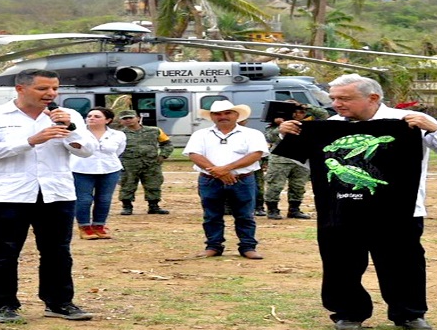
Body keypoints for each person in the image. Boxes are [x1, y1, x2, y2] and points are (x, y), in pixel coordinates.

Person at [277, 74, 437, 330]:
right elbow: (313, 163)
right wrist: (288, 136)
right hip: (342, 208)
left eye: (345, 98)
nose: (337, 104)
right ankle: (348, 312)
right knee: (340, 262)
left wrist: (436, 129)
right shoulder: (328, 127)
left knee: (403, 263)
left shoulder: (408, 123)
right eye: (334, 98)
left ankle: (409, 314)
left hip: (399, 209)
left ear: (373, 98)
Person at [0, 69, 97, 324]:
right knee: (5, 250)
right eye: (42, 89)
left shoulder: (68, 116)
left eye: (54, 89)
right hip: (8, 194)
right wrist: (30, 140)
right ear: (20, 89)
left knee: (57, 251)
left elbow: (88, 151)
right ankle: (4, 305)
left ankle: (59, 302)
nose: (50, 94)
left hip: (56, 192)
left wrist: (70, 129)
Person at [182, 100, 269, 260]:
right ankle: (213, 246)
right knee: (211, 215)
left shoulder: (252, 134)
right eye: (218, 114)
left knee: (245, 214)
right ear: (212, 117)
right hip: (210, 180)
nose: (223, 116)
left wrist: (225, 168)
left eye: (227, 113)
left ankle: (248, 246)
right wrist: (219, 173)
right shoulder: (200, 134)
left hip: (242, 180)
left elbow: (256, 154)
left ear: (236, 115)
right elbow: (194, 155)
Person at [264, 102, 328, 220]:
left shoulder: (309, 123)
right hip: (281, 159)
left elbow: (324, 115)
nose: (298, 114)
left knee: (298, 185)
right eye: (294, 111)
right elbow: (270, 137)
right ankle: (272, 209)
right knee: (275, 185)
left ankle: (294, 209)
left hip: (302, 158)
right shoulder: (277, 125)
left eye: (301, 112)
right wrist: (280, 128)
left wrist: (307, 106)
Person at [70, 107, 126, 240]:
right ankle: (84, 227)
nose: (91, 118)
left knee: (104, 199)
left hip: (109, 169)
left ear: (107, 120)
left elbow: (118, 150)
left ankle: (99, 226)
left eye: (96, 116)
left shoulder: (118, 135)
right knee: (84, 199)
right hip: (82, 169)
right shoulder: (78, 132)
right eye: (89, 116)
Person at [115, 110, 173, 215]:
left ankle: (154, 206)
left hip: (151, 164)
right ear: (121, 121)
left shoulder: (154, 130)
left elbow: (167, 144)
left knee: (153, 185)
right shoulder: (118, 134)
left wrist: (163, 155)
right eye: (124, 119)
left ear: (138, 118)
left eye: (130, 118)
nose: (128, 120)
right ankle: (127, 207)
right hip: (128, 164)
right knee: (127, 185)